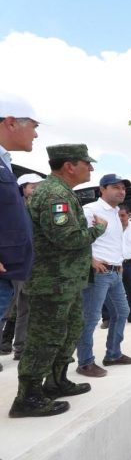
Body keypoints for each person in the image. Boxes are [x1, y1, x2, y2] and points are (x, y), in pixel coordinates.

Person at [11, 144, 107, 418]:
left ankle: (56, 381)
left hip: (67, 281)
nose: (90, 168)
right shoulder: (54, 194)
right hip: (52, 281)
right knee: (45, 338)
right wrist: (98, 229)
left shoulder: (63, 192)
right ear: (69, 166)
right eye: (86, 163)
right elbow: (67, 238)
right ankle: (27, 397)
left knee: (69, 331)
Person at [76, 174, 131, 378]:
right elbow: (78, 238)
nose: (121, 191)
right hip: (98, 272)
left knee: (122, 312)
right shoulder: (90, 210)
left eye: (123, 188)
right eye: (116, 187)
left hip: (115, 271)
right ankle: (85, 362)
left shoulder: (115, 213)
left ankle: (113, 354)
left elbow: (113, 241)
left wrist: (120, 261)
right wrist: (90, 260)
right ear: (102, 189)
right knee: (91, 317)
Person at [0, 96, 38, 375]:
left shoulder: (5, 161)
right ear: (11, 122)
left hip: (9, 271)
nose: (35, 134)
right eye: (33, 126)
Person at [0, 173, 43, 360]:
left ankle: (20, 347)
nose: (36, 191)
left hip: (30, 267)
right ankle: (5, 344)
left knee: (24, 308)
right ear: (22, 187)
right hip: (13, 265)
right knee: (7, 309)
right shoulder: (12, 207)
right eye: (33, 187)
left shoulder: (36, 208)